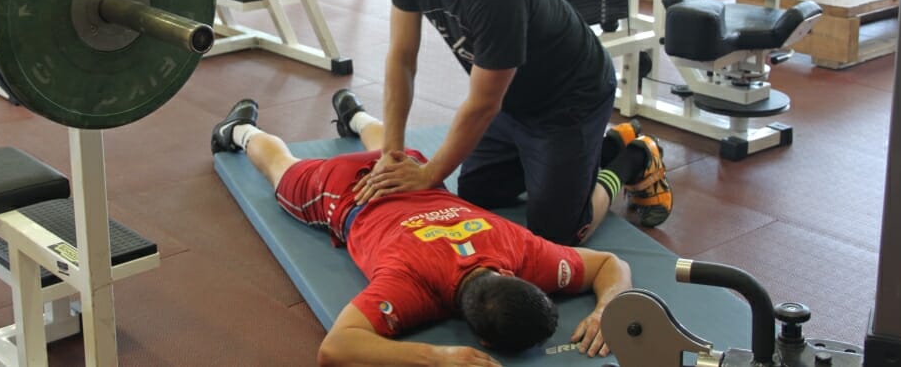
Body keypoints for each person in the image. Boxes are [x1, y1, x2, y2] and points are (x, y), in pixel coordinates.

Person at [353, 0, 672, 247]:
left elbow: (483, 104)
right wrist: (390, 154)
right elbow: (402, 58)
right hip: (514, 100)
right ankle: (588, 153)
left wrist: (426, 176)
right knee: (477, 193)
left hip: (569, 100)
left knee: (559, 234)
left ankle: (630, 156)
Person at [211, 96, 633, 365]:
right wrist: (437, 356)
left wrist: (607, 307)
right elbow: (334, 350)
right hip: (342, 191)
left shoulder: (518, 249)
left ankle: (355, 115)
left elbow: (610, 267)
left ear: (512, 277)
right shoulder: (409, 285)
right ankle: (240, 132)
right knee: (281, 169)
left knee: (390, 149)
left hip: (411, 174)